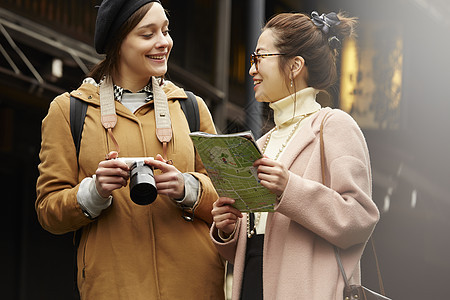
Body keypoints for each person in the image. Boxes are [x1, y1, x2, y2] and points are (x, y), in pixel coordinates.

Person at [35, 0, 225, 299]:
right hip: (113, 288)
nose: (164, 42)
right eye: (148, 34)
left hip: (196, 285)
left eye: (165, 30)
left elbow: (227, 198)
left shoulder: (191, 107)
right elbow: (48, 210)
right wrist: (95, 191)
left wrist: (186, 187)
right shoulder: (68, 110)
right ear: (118, 42)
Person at [210, 11, 380, 299]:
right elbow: (255, 245)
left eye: (259, 57)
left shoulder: (334, 125)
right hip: (253, 283)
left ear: (295, 66)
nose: (252, 69)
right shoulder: (262, 144)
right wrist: (228, 228)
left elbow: (359, 218)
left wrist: (289, 188)